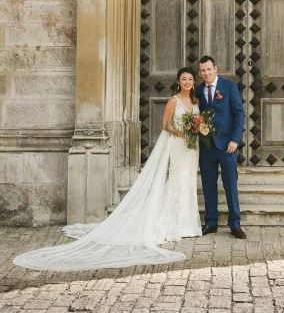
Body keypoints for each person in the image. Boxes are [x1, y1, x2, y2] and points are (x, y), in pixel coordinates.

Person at [13, 68, 202, 271]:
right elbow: (166, 125)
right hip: (178, 145)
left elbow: (198, 122)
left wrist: (196, 130)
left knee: (189, 180)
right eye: (184, 79)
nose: (187, 82)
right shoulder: (173, 101)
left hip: (191, 148)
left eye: (190, 79)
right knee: (177, 179)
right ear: (178, 81)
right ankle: (173, 224)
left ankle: (188, 224)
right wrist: (182, 132)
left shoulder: (197, 102)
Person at [196, 55, 246, 239]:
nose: (206, 73)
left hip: (227, 146)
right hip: (207, 145)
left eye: (209, 69)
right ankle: (211, 222)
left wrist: (235, 140)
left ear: (215, 68)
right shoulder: (198, 90)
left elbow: (239, 114)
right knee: (208, 185)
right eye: (202, 71)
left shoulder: (229, 86)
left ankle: (235, 224)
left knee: (230, 185)